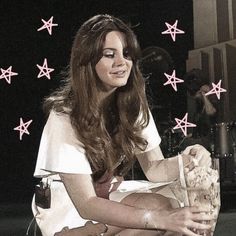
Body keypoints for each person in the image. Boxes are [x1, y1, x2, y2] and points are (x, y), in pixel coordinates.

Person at [32, 14, 217, 236]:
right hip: (68, 202)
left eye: (126, 54)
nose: (122, 62)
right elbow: (86, 203)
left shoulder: (133, 105)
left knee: (178, 207)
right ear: (88, 61)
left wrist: (188, 159)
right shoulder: (65, 115)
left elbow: (154, 169)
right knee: (160, 215)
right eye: (110, 55)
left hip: (105, 191)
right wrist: (159, 218)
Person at [182, 69, 218, 151]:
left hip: (211, 141)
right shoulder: (199, 106)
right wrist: (191, 135)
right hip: (202, 141)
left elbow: (211, 112)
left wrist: (203, 94)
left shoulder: (212, 100)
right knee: (184, 143)